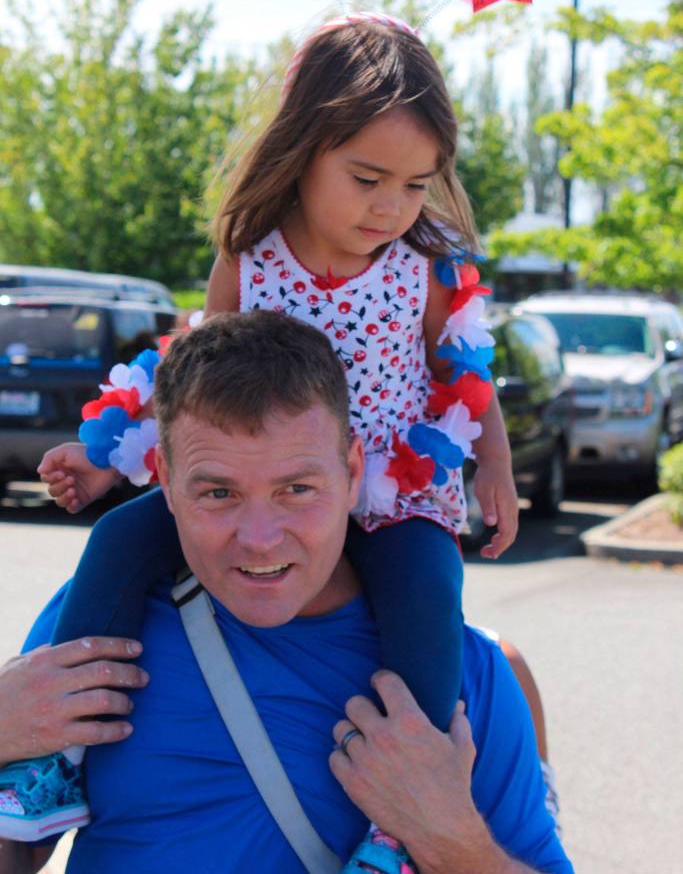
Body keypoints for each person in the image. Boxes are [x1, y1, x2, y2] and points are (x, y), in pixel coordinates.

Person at [9, 14, 518, 871]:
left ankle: (398, 828)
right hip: (259, 482)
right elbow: (196, 383)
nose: (389, 206)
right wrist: (105, 457)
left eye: (414, 184)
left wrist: (493, 469)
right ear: (304, 149)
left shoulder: (423, 266)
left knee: (429, 595)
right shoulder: (250, 260)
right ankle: (49, 762)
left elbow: (465, 376)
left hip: (391, 490)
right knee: (119, 541)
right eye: (366, 178)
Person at [0, 312, 571, 874]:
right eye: (219, 493)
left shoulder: (461, 680)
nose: (259, 539)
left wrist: (449, 838)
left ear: (352, 473)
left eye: (297, 489)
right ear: (166, 483)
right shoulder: (97, 628)